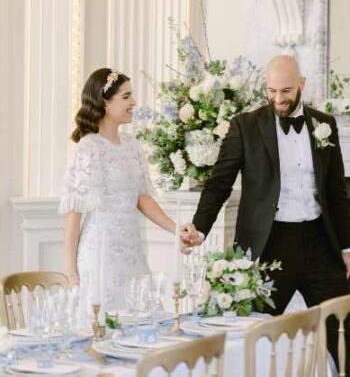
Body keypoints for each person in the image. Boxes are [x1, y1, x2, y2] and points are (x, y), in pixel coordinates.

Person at [182, 55, 350, 372]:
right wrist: (199, 229)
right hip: (269, 245)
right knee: (254, 339)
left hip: (319, 242)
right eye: (271, 91)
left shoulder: (323, 124)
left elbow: (336, 193)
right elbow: (219, 184)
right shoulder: (245, 126)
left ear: (302, 85)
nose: (278, 99)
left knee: (344, 332)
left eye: (286, 91)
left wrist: (346, 247)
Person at [59, 68, 184, 317]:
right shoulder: (88, 148)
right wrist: (71, 271)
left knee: (139, 320)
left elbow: (142, 198)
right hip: (99, 252)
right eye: (126, 96)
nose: (134, 102)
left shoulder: (131, 145)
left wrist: (177, 229)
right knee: (102, 325)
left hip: (132, 250)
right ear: (105, 102)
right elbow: (73, 213)